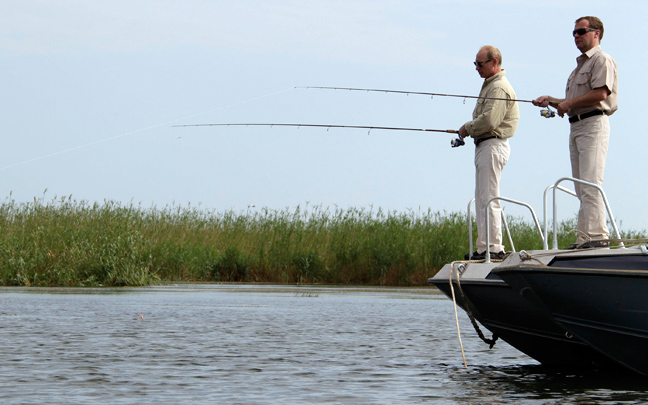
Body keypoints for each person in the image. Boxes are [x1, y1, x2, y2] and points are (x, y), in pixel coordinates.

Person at [534, 16, 618, 248]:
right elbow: (572, 101)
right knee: (581, 186)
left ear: (596, 33)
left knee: (591, 183)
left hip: (593, 125)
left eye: (581, 31)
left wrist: (569, 104)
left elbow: (600, 93)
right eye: (574, 33)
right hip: (576, 126)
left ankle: (598, 238)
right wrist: (551, 100)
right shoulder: (578, 67)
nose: (576, 36)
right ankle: (585, 237)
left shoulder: (602, 60)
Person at [459, 45, 519, 260]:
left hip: (493, 144)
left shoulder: (498, 87)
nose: (476, 68)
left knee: (489, 197)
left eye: (480, 63)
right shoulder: (489, 86)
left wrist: (467, 128)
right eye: (475, 63)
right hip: (485, 145)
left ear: (494, 62)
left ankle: (493, 248)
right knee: (482, 196)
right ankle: (484, 247)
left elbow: (490, 120)